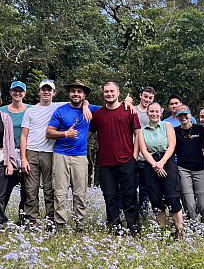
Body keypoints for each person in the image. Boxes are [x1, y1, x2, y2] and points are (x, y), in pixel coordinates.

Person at [20, 79, 91, 227]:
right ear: (39, 91)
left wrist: (86, 105)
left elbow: (88, 102)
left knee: (53, 189)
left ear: (54, 93)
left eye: (49, 90)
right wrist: (23, 158)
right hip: (40, 152)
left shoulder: (59, 106)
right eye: (43, 89)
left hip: (55, 153)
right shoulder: (36, 110)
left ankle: (56, 220)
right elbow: (27, 135)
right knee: (34, 189)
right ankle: (36, 220)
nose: (46, 92)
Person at [46, 80, 100, 232]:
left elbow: (111, 108)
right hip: (61, 155)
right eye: (73, 91)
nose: (76, 94)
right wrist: (65, 133)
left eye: (79, 92)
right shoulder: (60, 111)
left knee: (80, 191)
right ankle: (60, 225)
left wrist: (127, 101)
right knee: (60, 191)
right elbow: (48, 133)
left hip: (80, 156)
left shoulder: (92, 109)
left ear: (84, 95)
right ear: (69, 93)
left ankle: (80, 225)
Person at [88, 82, 141, 234]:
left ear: (118, 93)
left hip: (127, 161)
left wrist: (135, 156)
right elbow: (88, 135)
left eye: (112, 91)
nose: (109, 94)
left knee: (129, 195)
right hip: (106, 163)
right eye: (106, 92)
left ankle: (133, 228)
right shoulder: (98, 114)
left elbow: (138, 134)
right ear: (103, 94)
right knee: (109, 197)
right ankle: (114, 228)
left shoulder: (128, 111)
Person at [139, 102, 183, 237]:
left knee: (172, 196)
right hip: (151, 164)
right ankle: (162, 230)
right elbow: (144, 150)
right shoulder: (142, 131)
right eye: (151, 111)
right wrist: (155, 165)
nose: (154, 114)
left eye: (157, 111)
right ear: (147, 113)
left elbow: (172, 145)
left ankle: (179, 230)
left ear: (161, 113)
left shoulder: (167, 126)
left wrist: (162, 162)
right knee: (155, 198)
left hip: (167, 161)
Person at [0, 81, 32, 223]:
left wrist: (85, 104)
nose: (17, 93)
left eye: (20, 91)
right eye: (15, 90)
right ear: (10, 92)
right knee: (5, 188)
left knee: (27, 189)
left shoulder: (31, 109)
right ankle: (1, 217)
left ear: (25, 93)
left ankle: (23, 219)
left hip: (26, 153)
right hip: (8, 154)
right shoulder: (3, 111)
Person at [174, 104, 204, 223]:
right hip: (183, 169)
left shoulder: (200, 129)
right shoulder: (175, 132)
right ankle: (193, 229)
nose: (183, 117)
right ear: (177, 117)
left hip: (200, 169)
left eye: (185, 114)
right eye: (180, 116)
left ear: (190, 115)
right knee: (189, 205)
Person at [134, 86, 156, 214]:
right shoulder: (132, 109)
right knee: (130, 187)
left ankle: (143, 214)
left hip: (147, 156)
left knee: (145, 189)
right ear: (140, 95)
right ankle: (130, 212)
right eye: (145, 96)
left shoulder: (154, 112)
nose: (147, 99)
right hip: (132, 155)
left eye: (150, 98)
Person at [0, 90, 16, 225]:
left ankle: (0, 221)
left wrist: (10, 162)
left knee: (1, 194)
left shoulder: (5, 118)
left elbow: (10, 141)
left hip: (1, 158)